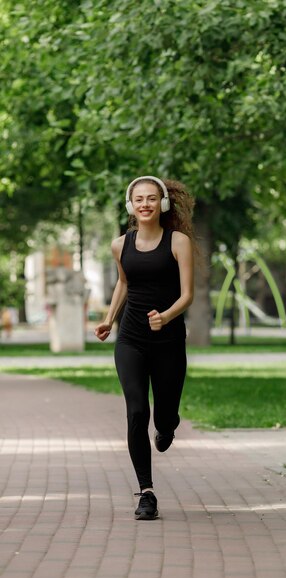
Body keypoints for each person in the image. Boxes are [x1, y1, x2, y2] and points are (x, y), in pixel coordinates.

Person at [94, 175, 195, 520]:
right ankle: (146, 493)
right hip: (132, 339)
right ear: (131, 206)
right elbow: (124, 282)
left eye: (152, 199)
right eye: (139, 199)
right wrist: (109, 319)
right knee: (137, 411)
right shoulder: (120, 245)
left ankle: (167, 425)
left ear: (162, 203)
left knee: (163, 415)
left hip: (168, 340)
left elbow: (188, 295)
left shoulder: (178, 242)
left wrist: (165, 317)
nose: (145, 205)